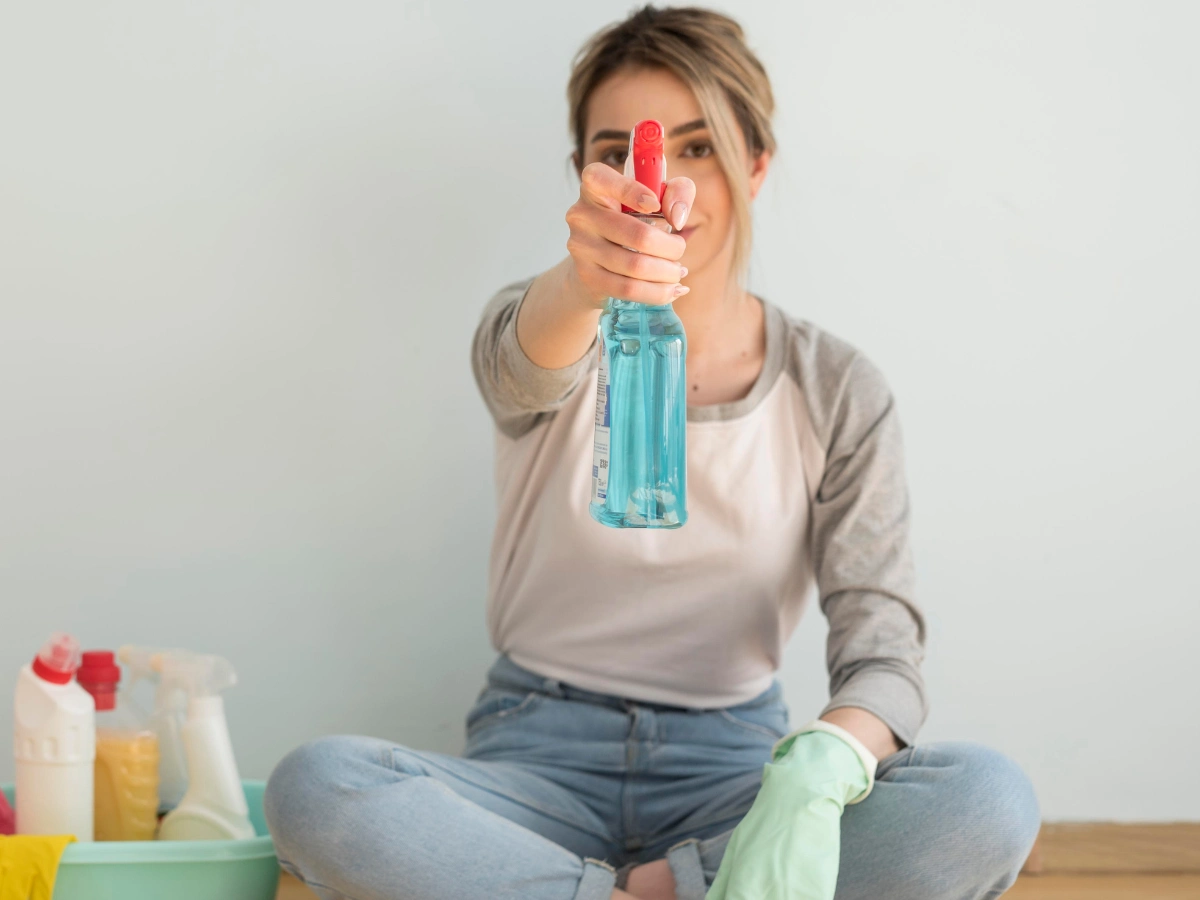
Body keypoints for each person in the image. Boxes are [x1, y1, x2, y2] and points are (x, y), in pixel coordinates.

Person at [264, 6, 1040, 899]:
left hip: (734, 770)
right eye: (621, 152)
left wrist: (822, 769)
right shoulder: (544, 324)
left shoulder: (835, 387)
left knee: (986, 801)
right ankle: (680, 893)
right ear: (587, 178)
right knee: (320, 788)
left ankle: (623, 885)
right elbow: (524, 370)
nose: (658, 183)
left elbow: (882, 645)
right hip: (533, 758)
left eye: (698, 146)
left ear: (756, 165)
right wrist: (584, 283)